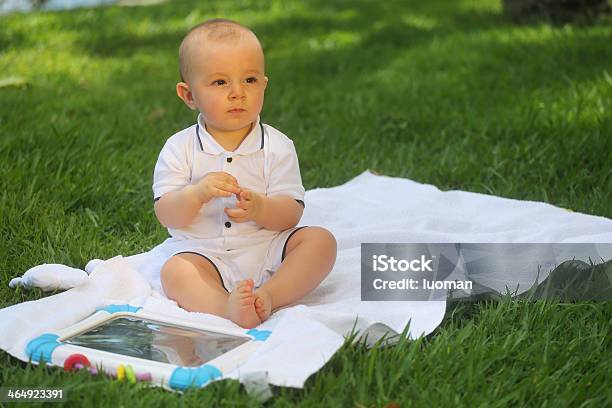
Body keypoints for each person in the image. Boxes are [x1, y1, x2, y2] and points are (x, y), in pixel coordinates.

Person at [153, 19, 337, 329]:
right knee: (175, 272)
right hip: (205, 254)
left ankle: (269, 296)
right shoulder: (179, 148)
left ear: (264, 85)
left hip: (267, 249)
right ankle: (224, 307)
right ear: (189, 95)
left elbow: (291, 213)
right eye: (220, 83)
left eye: (249, 80)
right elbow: (167, 214)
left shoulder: (277, 146)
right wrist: (196, 194)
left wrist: (261, 208)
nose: (238, 93)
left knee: (321, 242)